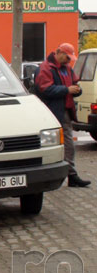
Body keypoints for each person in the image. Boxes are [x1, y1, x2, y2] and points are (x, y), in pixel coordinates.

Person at [35, 42, 91, 188]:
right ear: (59, 52)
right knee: (53, 146)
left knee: (67, 145)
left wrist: (77, 90)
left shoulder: (66, 68)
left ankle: (69, 175)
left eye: (69, 58)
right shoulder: (45, 68)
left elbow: (74, 85)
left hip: (63, 112)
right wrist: (67, 90)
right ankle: (54, 175)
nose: (68, 61)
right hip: (51, 113)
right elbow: (45, 89)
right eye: (67, 57)